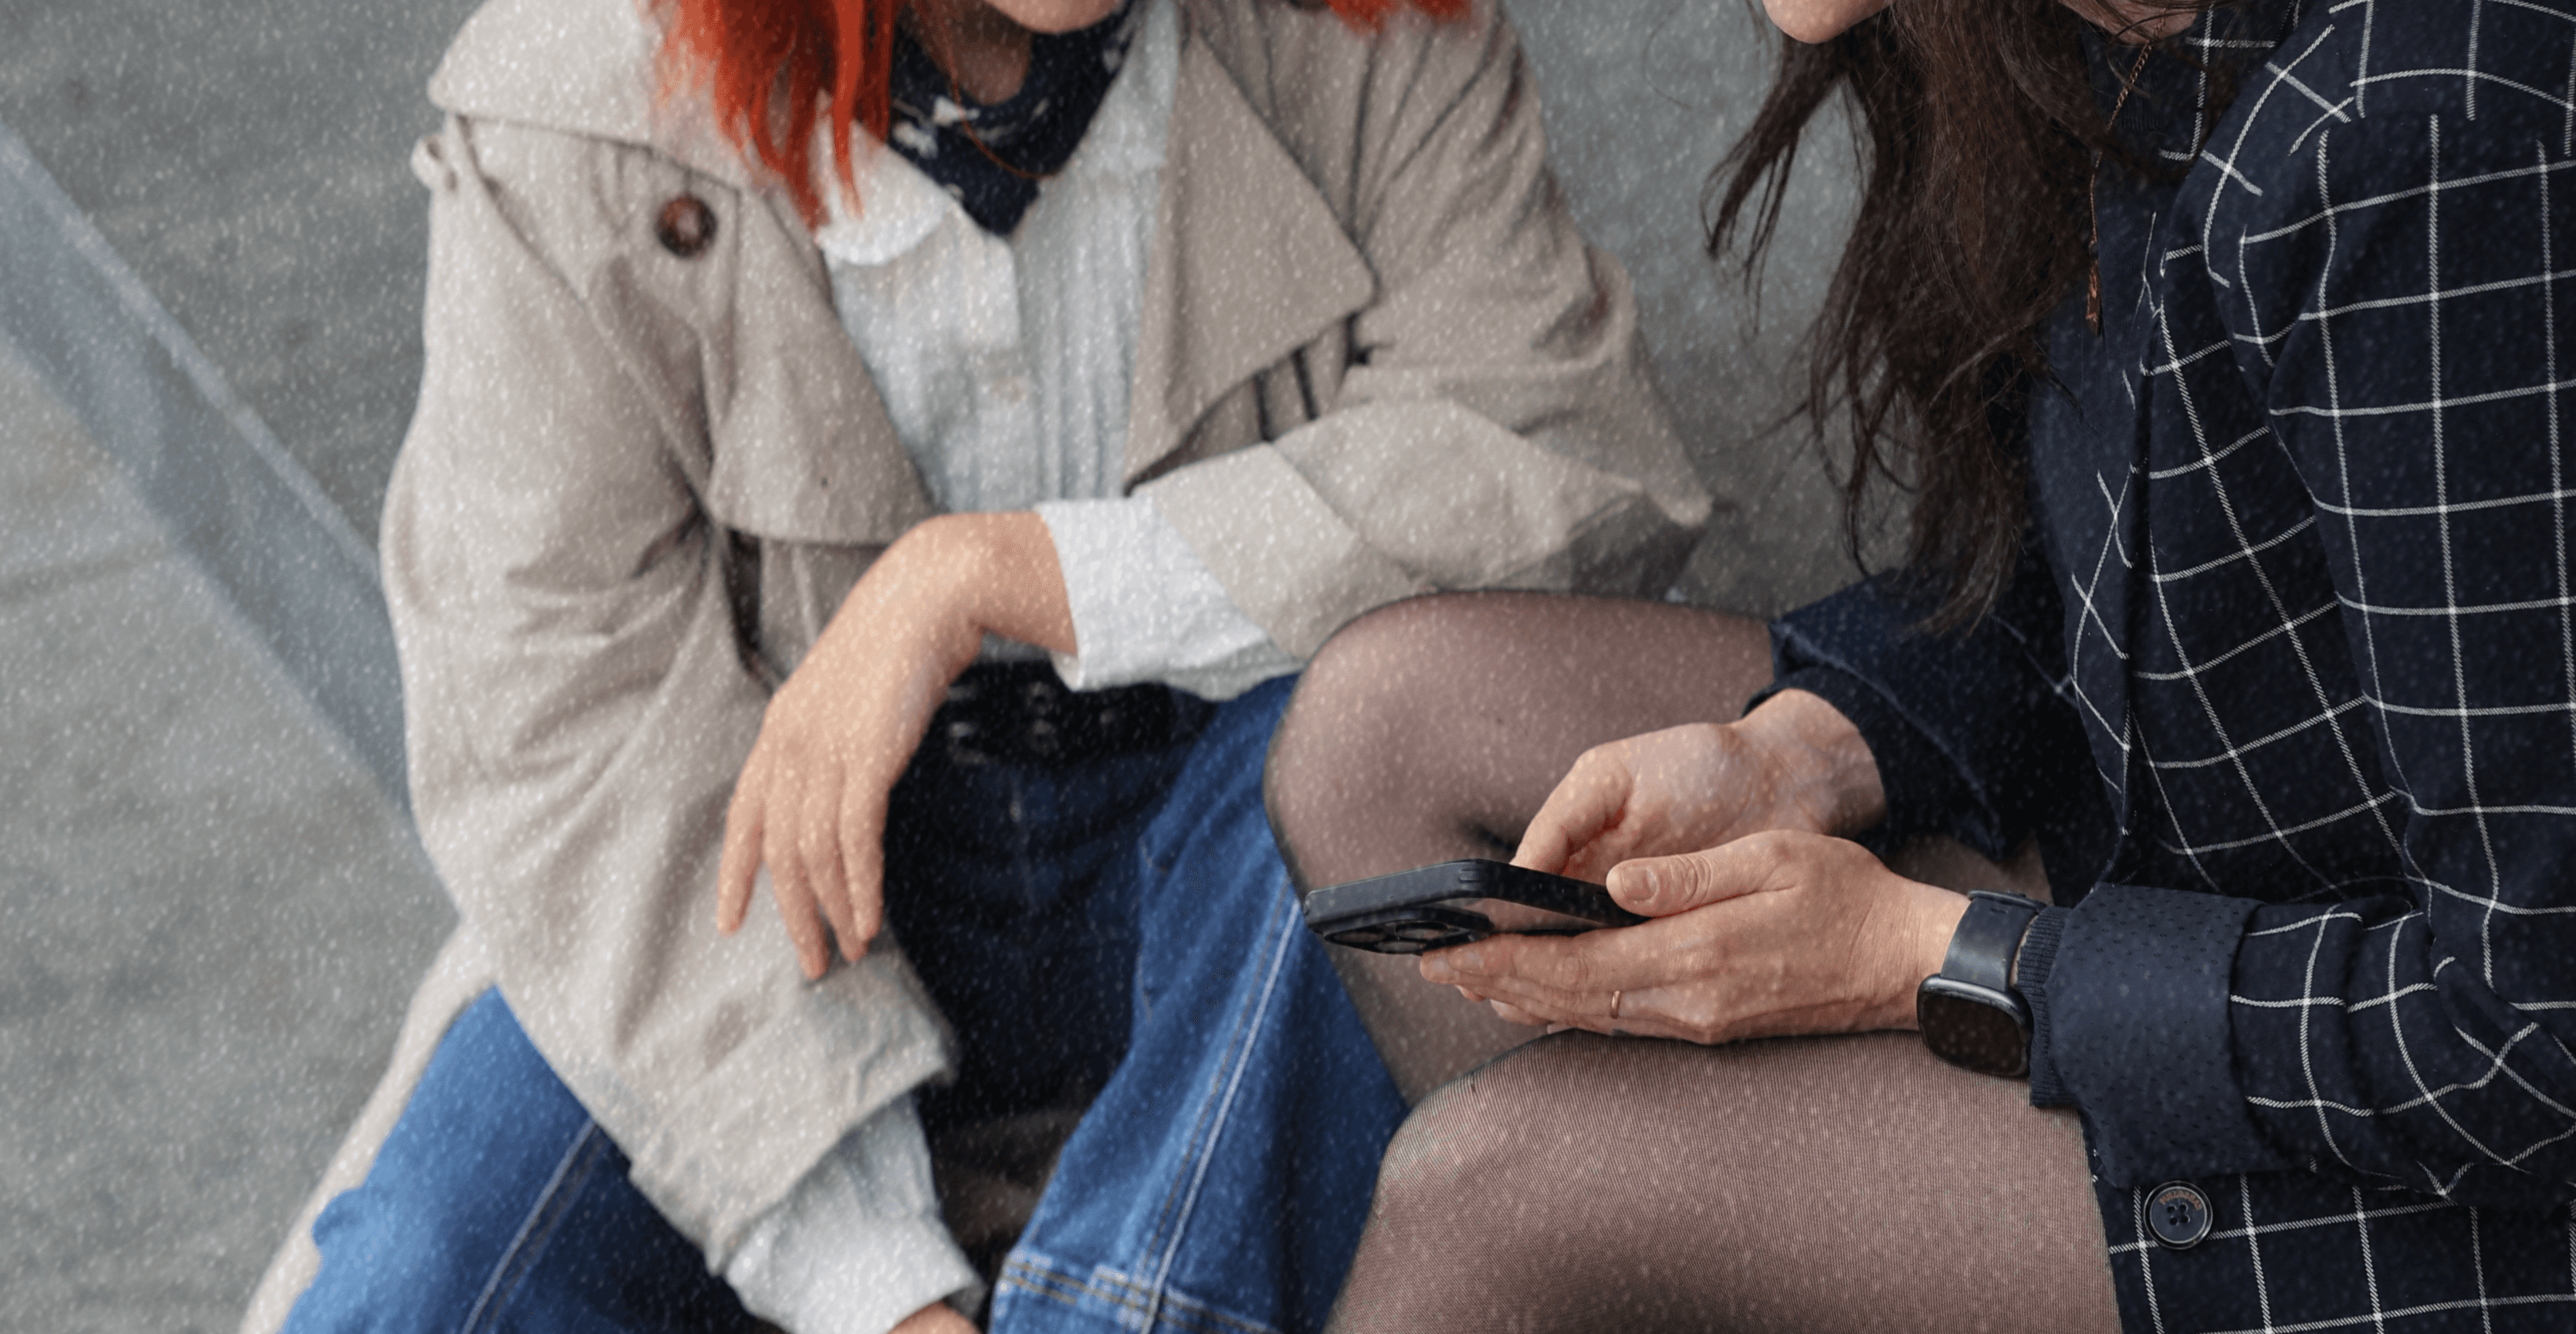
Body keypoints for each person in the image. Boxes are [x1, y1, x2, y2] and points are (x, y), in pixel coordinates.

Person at [245, 0, 1710, 1326]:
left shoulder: (1362, 30)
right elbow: (569, 731)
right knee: (425, 1284)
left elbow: (1555, 452)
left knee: (1354, 764)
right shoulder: (587, 99)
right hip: (772, 883)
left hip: (1233, 849)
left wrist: (1006, 577)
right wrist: (879, 1298)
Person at [1265, 0, 2576, 1329]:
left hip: (2508, 1188)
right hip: (2207, 877)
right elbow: (2113, 572)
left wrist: (1927, 961)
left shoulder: (2432, 134)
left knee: (1505, 1190)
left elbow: (2570, 1050)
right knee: (1381, 734)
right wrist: (1801, 752)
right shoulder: (2087, 41)